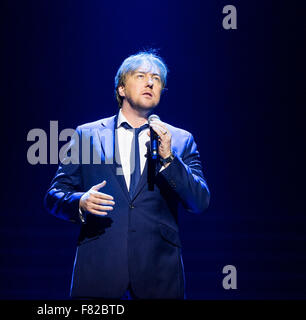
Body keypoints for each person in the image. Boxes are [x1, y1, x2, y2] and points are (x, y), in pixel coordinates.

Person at [43, 50, 210, 299]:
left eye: (157, 79)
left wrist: (169, 159)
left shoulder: (180, 140)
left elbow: (199, 201)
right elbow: (54, 195)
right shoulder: (87, 135)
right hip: (100, 270)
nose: (151, 82)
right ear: (121, 88)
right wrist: (80, 201)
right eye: (141, 76)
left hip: (159, 274)